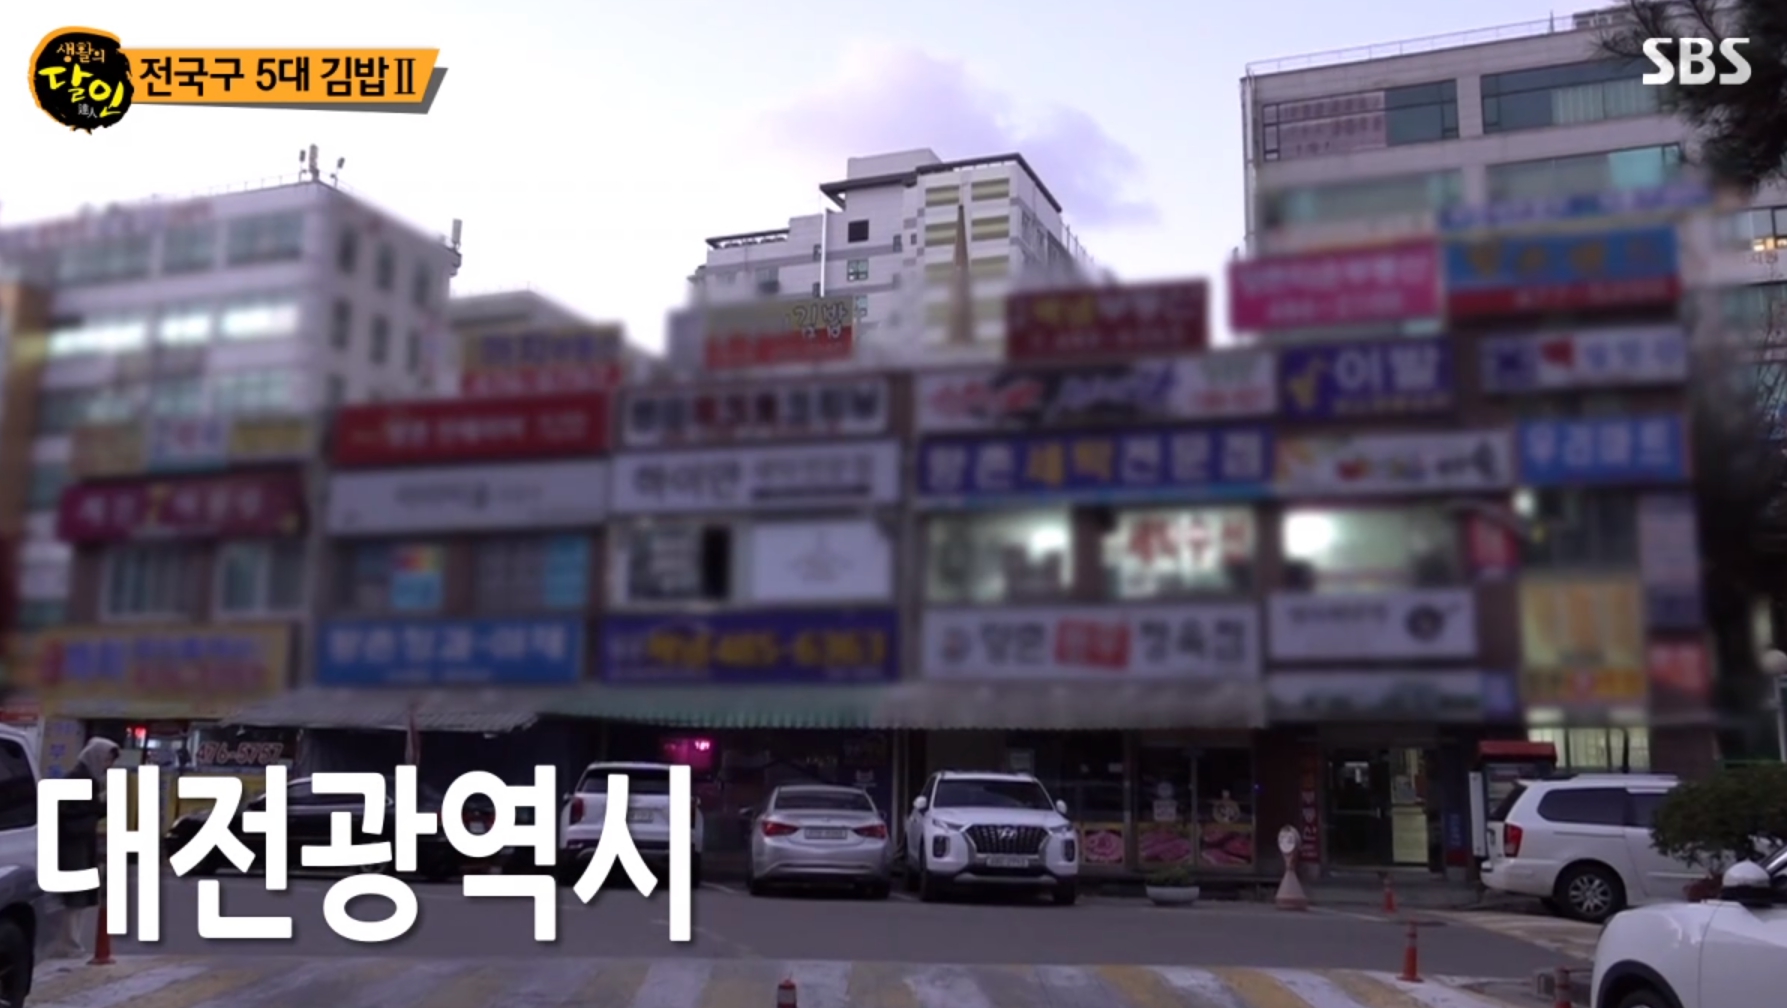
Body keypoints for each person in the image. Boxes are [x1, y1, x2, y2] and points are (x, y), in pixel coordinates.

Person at [56, 738, 119, 956]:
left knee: (77, 898)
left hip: (80, 843)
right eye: (107, 759)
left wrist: (102, 806)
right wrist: (98, 808)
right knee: (73, 897)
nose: (108, 765)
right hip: (72, 845)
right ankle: (68, 944)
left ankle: (71, 943)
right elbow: (67, 812)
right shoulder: (78, 779)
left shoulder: (89, 779)